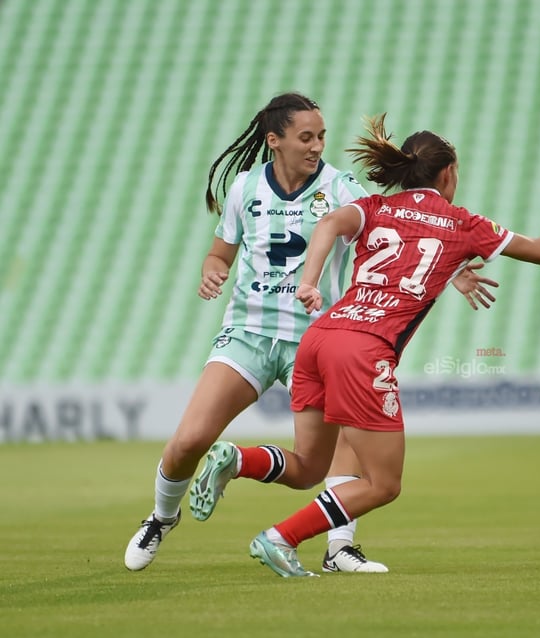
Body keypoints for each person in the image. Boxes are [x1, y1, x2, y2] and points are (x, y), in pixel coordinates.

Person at [190, 113, 540, 577]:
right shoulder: (462, 223)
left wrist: (311, 281)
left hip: (321, 335)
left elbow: (327, 225)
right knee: (383, 483)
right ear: (448, 173)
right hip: (364, 351)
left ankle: (242, 460)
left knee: (310, 465)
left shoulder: (376, 206)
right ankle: (280, 539)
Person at [123, 94, 498, 573]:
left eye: (321, 136)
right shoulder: (245, 188)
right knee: (189, 440)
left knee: (338, 451)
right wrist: (211, 270)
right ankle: (160, 517)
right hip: (249, 333)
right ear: (273, 140)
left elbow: (400, 237)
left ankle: (339, 549)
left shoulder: (341, 188)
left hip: (316, 337)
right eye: (306, 137)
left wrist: (453, 272)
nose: (318, 145)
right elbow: (220, 253)